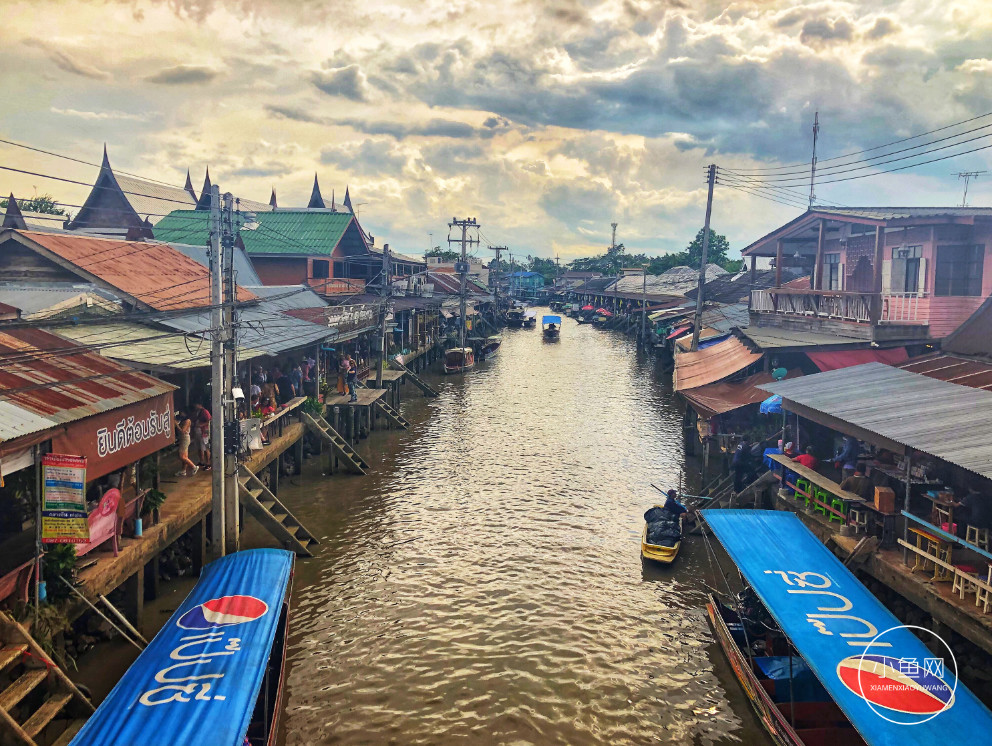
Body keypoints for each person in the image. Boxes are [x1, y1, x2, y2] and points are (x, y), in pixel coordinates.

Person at [174, 411, 198, 477]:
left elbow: (183, 431)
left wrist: (176, 424)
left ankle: (193, 467)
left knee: (182, 456)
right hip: (182, 439)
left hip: (185, 438)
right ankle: (183, 471)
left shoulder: (187, 421)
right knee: (185, 456)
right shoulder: (182, 420)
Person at [192, 403, 212, 470]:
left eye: (196, 404)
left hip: (203, 432)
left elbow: (209, 420)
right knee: (199, 447)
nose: (195, 406)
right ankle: (202, 461)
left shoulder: (205, 411)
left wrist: (202, 425)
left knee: (205, 448)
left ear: (200, 405)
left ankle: (208, 463)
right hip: (197, 431)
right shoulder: (197, 412)